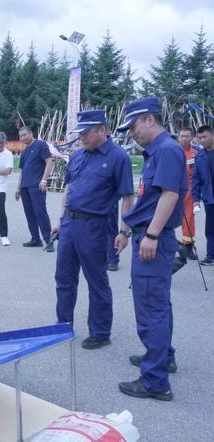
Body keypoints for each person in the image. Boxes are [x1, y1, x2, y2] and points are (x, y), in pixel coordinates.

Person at [115, 96, 187, 401]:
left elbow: (170, 196)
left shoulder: (167, 150)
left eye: (133, 126)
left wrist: (153, 235)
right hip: (148, 233)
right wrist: (128, 229)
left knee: (150, 309)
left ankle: (155, 381)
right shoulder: (158, 150)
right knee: (159, 304)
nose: (132, 133)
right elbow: (150, 199)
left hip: (154, 239)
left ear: (149, 119)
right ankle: (162, 356)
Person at [52, 110, 134, 350]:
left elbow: (128, 197)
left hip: (96, 226)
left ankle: (100, 331)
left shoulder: (118, 157)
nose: (82, 137)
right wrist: (59, 219)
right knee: (64, 278)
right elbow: (69, 188)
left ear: (102, 130)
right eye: (80, 133)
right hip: (70, 223)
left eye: (86, 133)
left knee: (96, 280)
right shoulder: (78, 156)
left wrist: (124, 231)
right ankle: (62, 324)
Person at [15, 126, 54, 251]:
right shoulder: (25, 151)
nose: (22, 138)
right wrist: (18, 187)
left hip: (36, 185)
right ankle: (35, 239)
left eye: (24, 135)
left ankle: (48, 240)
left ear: (31, 133)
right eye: (20, 136)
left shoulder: (40, 145)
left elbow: (49, 161)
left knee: (40, 212)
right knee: (29, 214)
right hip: (25, 186)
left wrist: (44, 180)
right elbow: (22, 170)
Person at [191, 125, 214, 265]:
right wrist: (195, 200)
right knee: (210, 228)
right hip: (209, 198)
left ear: (212, 135)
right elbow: (196, 179)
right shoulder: (199, 156)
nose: (201, 140)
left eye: (204, 137)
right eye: (199, 138)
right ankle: (211, 255)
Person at [177, 128, 199, 260]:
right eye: (181, 136)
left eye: (186, 136)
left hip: (190, 190)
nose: (184, 139)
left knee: (189, 219)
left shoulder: (196, 153)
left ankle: (188, 246)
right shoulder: (173, 151)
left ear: (192, 137)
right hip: (173, 188)